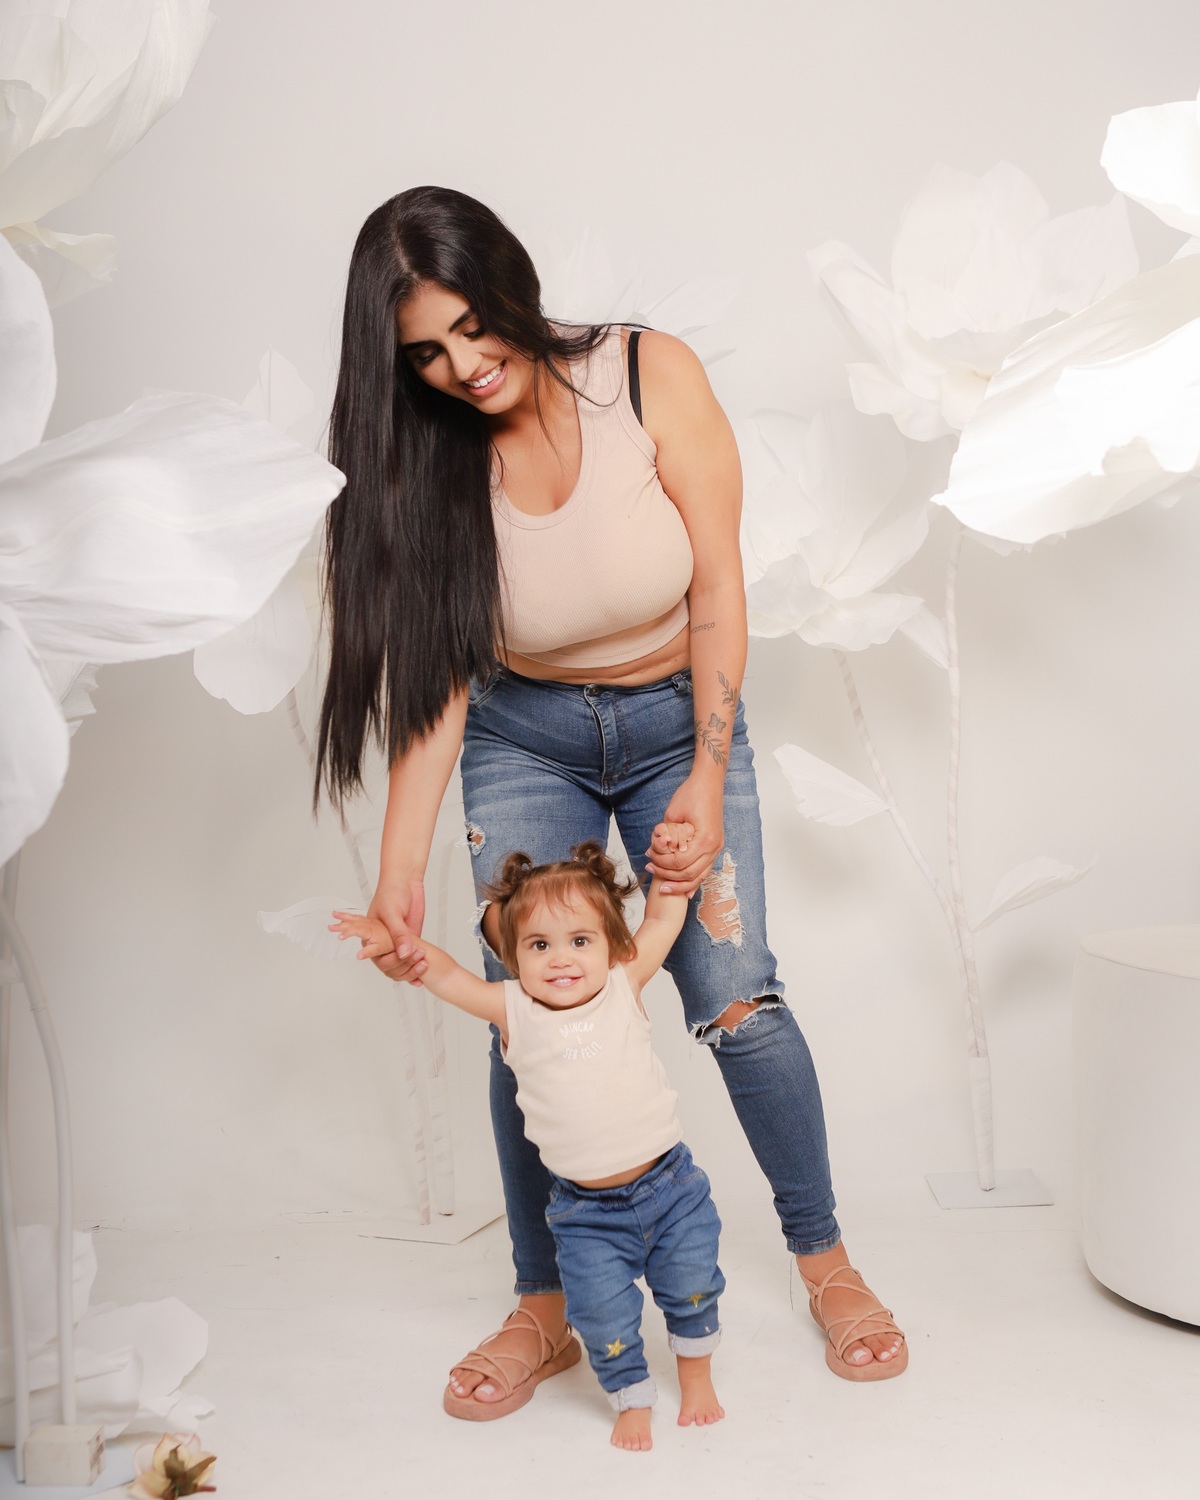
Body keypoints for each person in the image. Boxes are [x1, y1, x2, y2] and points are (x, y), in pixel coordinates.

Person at [315, 184, 907, 1420]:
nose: (463, 366)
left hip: (677, 719)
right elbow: (434, 689)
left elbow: (719, 592)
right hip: (522, 732)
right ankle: (545, 1307)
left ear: (511, 284)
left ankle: (827, 1263)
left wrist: (704, 772)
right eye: (425, 354)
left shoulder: (645, 376)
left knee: (736, 997)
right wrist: (397, 871)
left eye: (473, 325)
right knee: (532, 1014)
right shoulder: (432, 458)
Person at [331, 832, 725, 1451]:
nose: (560, 959)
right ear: (513, 956)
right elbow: (444, 974)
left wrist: (675, 865)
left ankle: (697, 1381)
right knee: (600, 1314)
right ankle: (631, 1397)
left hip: (671, 1188)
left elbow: (663, 917)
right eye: (539, 945)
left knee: (693, 1286)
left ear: (613, 945)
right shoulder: (512, 1008)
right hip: (586, 1214)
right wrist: (398, 942)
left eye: (580, 941)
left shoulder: (624, 983)